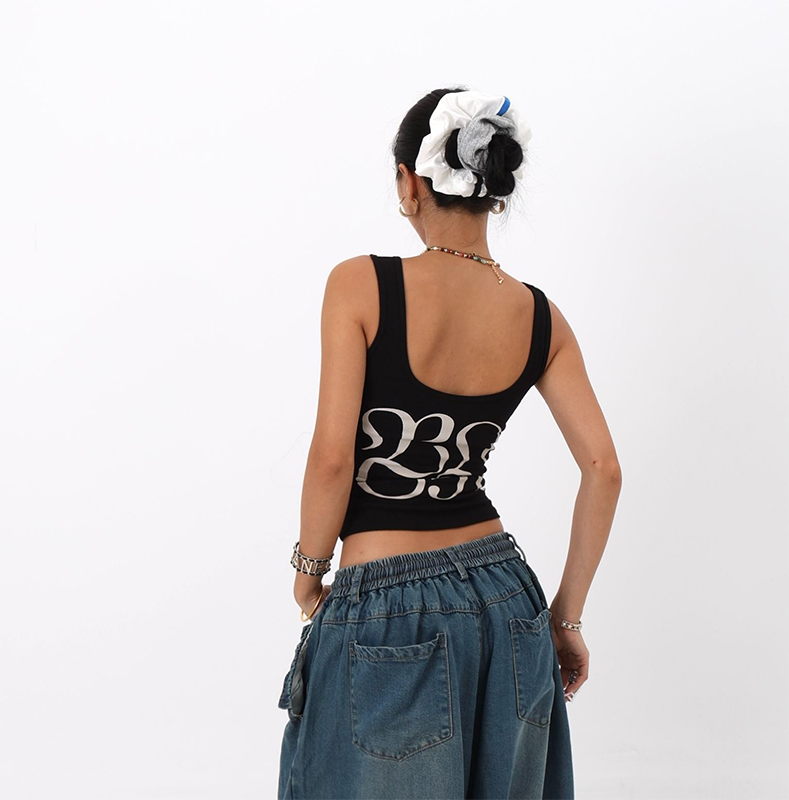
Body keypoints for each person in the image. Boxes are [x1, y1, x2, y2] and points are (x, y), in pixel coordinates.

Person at [277, 86, 622, 800]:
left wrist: (309, 570)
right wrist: (564, 617)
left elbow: (334, 459)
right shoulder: (541, 318)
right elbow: (603, 468)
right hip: (507, 598)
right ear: (493, 191)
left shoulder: (361, 285)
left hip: (388, 612)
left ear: (410, 181)